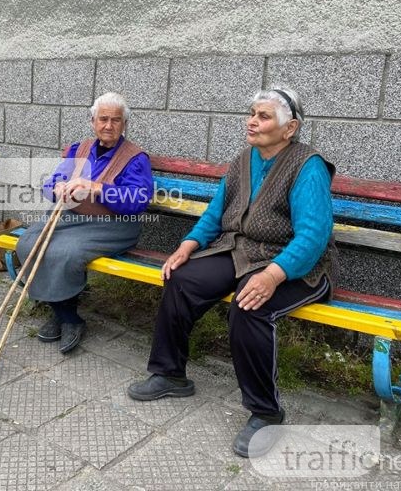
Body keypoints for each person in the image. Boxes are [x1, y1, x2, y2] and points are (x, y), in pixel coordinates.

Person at [127, 88, 335, 458]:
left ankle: (266, 412)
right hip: (240, 249)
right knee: (182, 279)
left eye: (264, 116)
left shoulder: (308, 166)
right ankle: (170, 374)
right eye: (252, 113)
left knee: (250, 307)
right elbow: (215, 213)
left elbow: (313, 236)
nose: (252, 121)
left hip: (296, 265)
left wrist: (273, 275)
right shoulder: (244, 159)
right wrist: (187, 246)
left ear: (291, 128)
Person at [16, 92, 153, 354]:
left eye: (116, 120)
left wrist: (97, 188)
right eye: (103, 119)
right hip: (72, 218)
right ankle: (62, 311)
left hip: (113, 225)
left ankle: (68, 319)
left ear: (125, 124)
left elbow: (137, 202)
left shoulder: (135, 158)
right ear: (93, 121)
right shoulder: (78, 149)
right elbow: (51, 181)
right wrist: (57, 189)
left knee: (65, 252)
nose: (109, 126)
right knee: (29, 242)